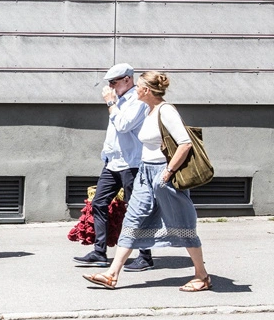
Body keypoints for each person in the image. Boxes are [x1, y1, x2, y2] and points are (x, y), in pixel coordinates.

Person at [84, 71, 211, 291]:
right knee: (132, 219)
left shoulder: (165, 110)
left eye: (139, 86)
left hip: (163, 174)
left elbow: (185, 143)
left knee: (182, 222)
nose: (136, 89)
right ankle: (112, 274)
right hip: (145, 173)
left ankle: (202, 275)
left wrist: (168, 172)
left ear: (146, 90)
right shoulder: (148, 110)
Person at [73, 63, 153, 271]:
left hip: (132, 163)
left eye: (113, 82)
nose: (110, 87)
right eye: (109, 83)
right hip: (113, 163)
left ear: (127, 79)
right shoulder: (119, 100)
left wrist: (110, 103)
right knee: (99, 203)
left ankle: (145, 256)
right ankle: (99, 252)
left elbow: (124, 125)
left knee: (135, 208)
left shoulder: (138, 100)